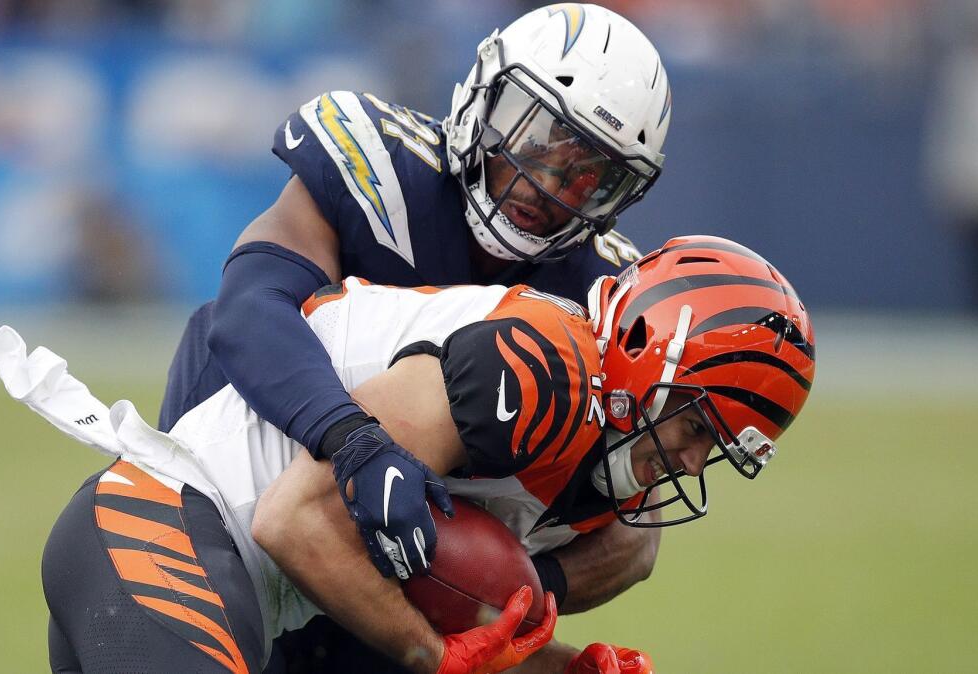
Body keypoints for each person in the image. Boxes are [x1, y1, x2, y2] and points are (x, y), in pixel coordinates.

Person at [0, 235, 817, 674]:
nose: (692, 460)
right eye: (699, 426)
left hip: (224, 589)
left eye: (723, 449)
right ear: (647, 350)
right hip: (163, 527)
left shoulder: (615, 530)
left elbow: (465, 628)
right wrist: (432, 656)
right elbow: (293, 519)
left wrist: (554, 668)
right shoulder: (541, 367)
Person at [157, 5, 673, 626]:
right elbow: (245, 309)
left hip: (400, 552)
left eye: (589, 175)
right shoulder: (382, 164)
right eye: (536, 138)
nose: (547, 185)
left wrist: (498, 591)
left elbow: (634, 535)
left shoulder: (607, 293)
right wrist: (352, 439)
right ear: (485, 91)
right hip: (235, 476)